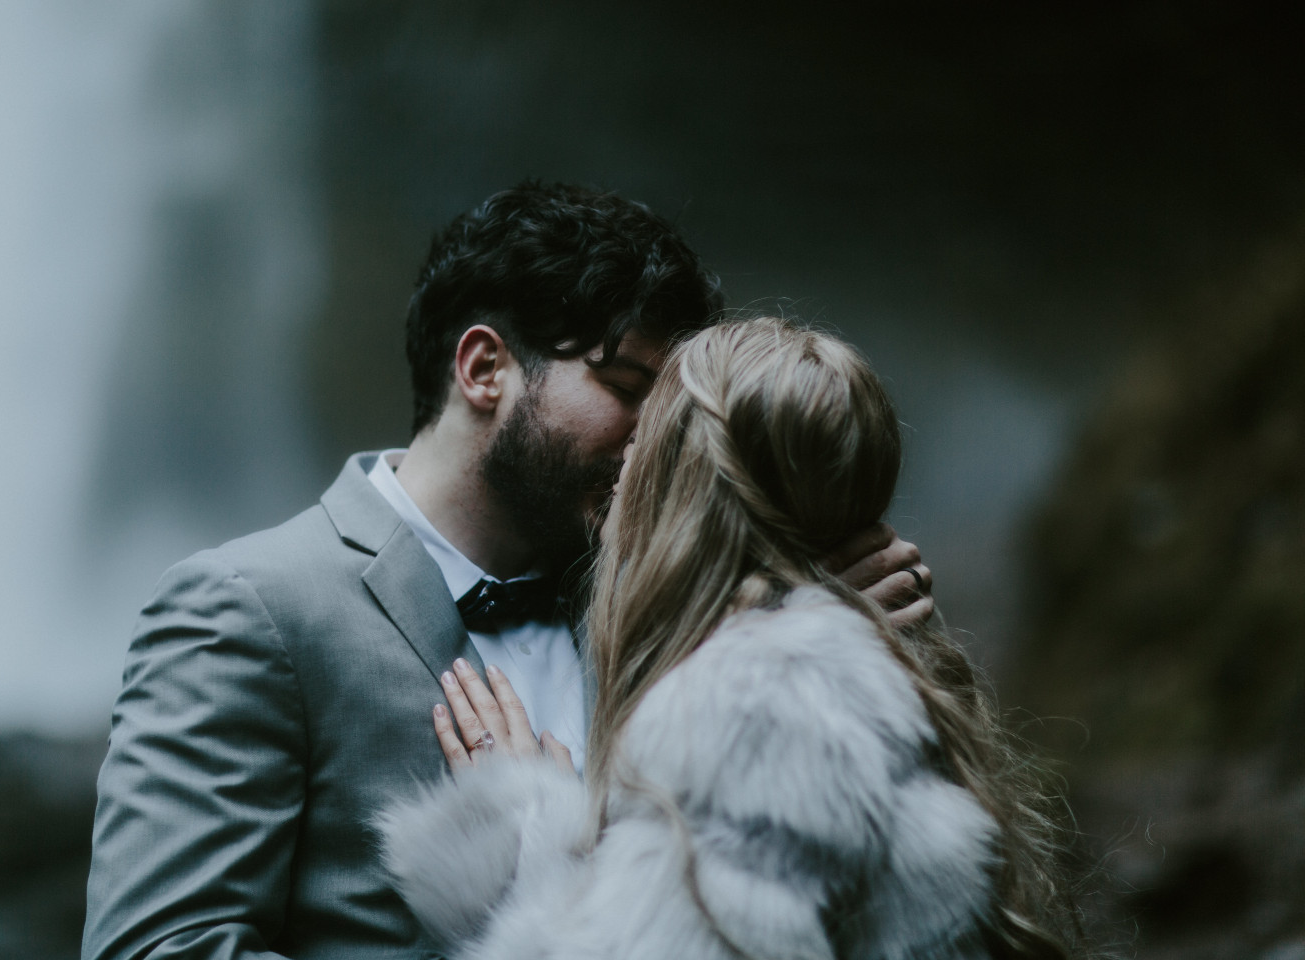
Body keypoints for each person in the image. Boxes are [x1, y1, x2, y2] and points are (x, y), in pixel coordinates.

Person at [82, 185, 934, 960]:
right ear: (485, 369)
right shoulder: (248, 608)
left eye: (672, 410)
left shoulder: (683, 606)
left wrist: (803, 643)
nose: (656, 440)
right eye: (628, 386)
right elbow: (160, 951)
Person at [378, 318, 1082, 959]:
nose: (615, 478)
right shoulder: (816, 682)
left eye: (639, 456)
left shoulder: (752, 712)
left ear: (680, 499)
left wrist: (517, 847)